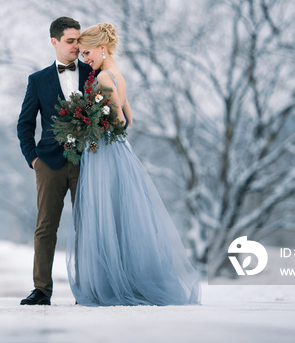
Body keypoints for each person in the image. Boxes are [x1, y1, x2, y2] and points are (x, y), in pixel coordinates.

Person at [67, 22, 201, 306]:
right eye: (81, 55)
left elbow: (117, 120)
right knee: (119, 213)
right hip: (116, 148)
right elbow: (130, 120)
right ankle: (123, 277)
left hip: (104, 150)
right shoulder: (117, 75)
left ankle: (114, 284)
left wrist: (87, 122)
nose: (84, 59)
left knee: (106, 214)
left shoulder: (103, 77)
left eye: (87, 53)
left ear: (102, 48)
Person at [17, 16, 93, 305]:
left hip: (88, 161)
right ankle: (42, 290)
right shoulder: (37, 80)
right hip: (49, 162)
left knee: (88, 225)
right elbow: (24, 124)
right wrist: (34, 160)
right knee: (46, 226)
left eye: (78, 41)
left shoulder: (93, 74)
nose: (76, 47)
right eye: (70, 41)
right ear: (55, 42)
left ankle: (88, 288)